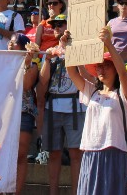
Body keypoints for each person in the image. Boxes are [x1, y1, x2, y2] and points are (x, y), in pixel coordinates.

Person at [65, 26, 127, 194]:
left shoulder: (123, 93)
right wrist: (69, 46)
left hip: (113, 151)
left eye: (106, 66)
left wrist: (108, 43)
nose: (101, 70)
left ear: (114, 69)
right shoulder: (92, 91)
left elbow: (123, 74)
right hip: (90, 151)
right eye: (99, 67)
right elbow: (72, 72)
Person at [36, 14, 84, 195]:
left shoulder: (79, 49)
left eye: (60, 24)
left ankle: (76, 192)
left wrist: (70, 48)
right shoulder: (50, 51)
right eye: (54, 25)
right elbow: (42, 83)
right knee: (54, 153)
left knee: (75, 153)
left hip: (75, 105)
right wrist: (47, 60)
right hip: (53, 105)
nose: (56, 27)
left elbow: (87, 75)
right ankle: (53, 191)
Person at [9, 33, 39, 194]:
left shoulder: (33, 65)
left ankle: (16, 192)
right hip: (4, 112)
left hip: (23, 112)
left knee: (20, 155)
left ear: (23, 46)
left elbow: (27, 85)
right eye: (10, 42)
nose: (10, 45)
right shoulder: (0, 61)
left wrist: (26, 64)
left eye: (14, 43)